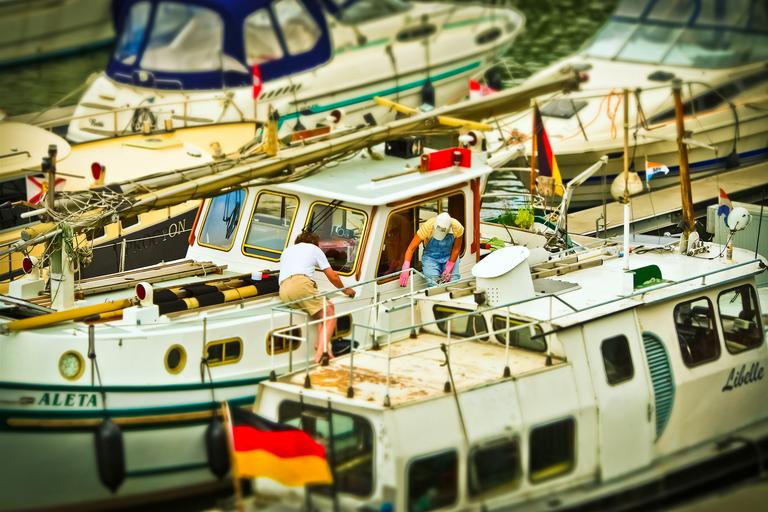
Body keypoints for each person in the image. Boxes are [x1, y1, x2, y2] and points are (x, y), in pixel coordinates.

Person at [279, 231, 356, 364]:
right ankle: (321, 353)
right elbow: (333, 276)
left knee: (327, 307)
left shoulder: (287, 251)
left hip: (283, 290)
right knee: (330, 316)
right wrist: (346, 290)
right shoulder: (314, 249)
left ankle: (321, 345)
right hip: (301, 285)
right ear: (315, 243)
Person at [400, 212, 463, 287]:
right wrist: (406, 267)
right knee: (433, 283)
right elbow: (411, 248)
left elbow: (456, 249)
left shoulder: (457, 227)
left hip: (449, 255)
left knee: (453, 281)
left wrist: (449, 267)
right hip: (431, 258)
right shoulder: (427, 226)